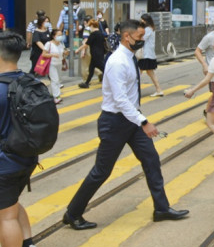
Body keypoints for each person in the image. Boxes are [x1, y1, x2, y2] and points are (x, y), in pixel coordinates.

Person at [63, 20, 189, 230]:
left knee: (151, 159)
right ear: (127, 37)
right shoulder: (117, 62)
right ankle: (73, 213)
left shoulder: (130, 57)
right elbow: (120, 100)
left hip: (131, 120)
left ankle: (161, 208)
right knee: (101, 171)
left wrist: (139, 119)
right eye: (139, 38)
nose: (141, 41)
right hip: (114, 122)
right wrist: (144, 122)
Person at [0, 32, 44, 247]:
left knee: (4, 216)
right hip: (26, 158)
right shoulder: (28, 81)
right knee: (12, 204)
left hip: (4, 162)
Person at [77, 18, 108, 89]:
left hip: (95, 54)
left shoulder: (93, 34)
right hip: (99, 53)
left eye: (89, 26)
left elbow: (86, 44)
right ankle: (86, 83)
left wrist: (78, 49)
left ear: (92, 26)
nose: (89, 28)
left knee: (104, 69)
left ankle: (113, 80)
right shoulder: (101, 34)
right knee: (91, 69)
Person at [138, 14, 163, 97]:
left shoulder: (148, 29)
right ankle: (159, 90)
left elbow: (142, 38)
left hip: (146, 55)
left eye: (142, 20)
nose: (141, 21)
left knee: (138, 72)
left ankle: (132, 91)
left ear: (146, 21)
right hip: (148, 54)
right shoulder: (150, 29)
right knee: (149, 72)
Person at [43, 29, 67, 104]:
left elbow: (63, 53)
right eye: (58, 35)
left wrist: (65, 54)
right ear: (53, 36)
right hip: (51, 64)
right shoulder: (48, 44)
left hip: (59, 63)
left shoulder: (61, 44)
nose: (60, 37)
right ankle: (56, 97)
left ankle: (55, 94)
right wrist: (52, 55)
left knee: (58, 80)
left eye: (61, 35)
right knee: (55, 80)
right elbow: (44, 54)